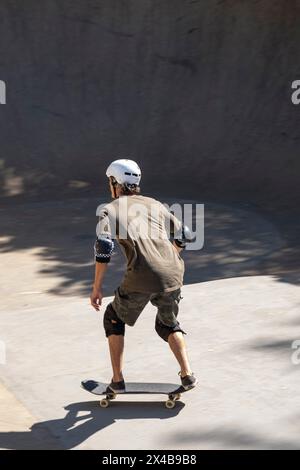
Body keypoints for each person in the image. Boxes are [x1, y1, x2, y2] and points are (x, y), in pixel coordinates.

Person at [90, 159, 197, 393]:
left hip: (141, 276)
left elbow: (104, 247)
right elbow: (185, 234)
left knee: (113, 318)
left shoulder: (110, 210)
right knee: (167, 325)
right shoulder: (155, 204)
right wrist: (169, 256)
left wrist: (96, 287)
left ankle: (117, 380)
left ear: (114, 183)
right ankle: (187, 374)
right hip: (174, 272)